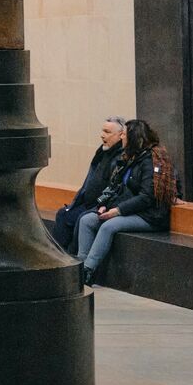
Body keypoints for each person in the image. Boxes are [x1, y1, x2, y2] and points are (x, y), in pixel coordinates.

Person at [74, 118, 173, 286]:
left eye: (125, 135)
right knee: (87, 220)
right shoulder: (129, 158)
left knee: (108, 226)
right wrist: (103, 204)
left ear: (134, 137)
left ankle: (88, 271)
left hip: (149, 215)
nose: (122, 138)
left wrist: (118, 210)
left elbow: (147, 197)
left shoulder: (151, 160)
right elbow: (114, 186)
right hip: (127, 209)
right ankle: (80, 265)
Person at [51, 117, 126, 252]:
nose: (102, 135)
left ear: (121, 135)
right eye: (102, 130)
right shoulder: (102, 152)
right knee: (63, 214)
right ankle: (59, 255)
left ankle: (69, 257)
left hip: (100, 206)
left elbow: (114, 187)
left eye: (107, 132)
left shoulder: (120, 157)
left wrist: (102, 205)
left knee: (78, 219)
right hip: (87, 202)